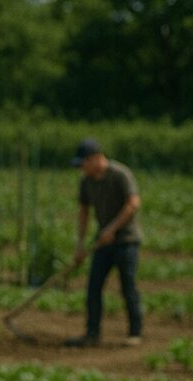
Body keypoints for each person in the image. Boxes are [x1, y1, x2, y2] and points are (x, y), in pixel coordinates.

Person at [65, 138, 143, 348]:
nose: (82, 168)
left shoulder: (120, 174)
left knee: (127, 285)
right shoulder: (86, 182)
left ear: (95, 159)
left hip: (127, 240)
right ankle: (92, 333)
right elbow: (83, 212)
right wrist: (80, 245)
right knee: (94, 286)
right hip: (103, 242)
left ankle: (135, 332)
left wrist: (112, 228)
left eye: (83, 163)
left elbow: (133, 204)